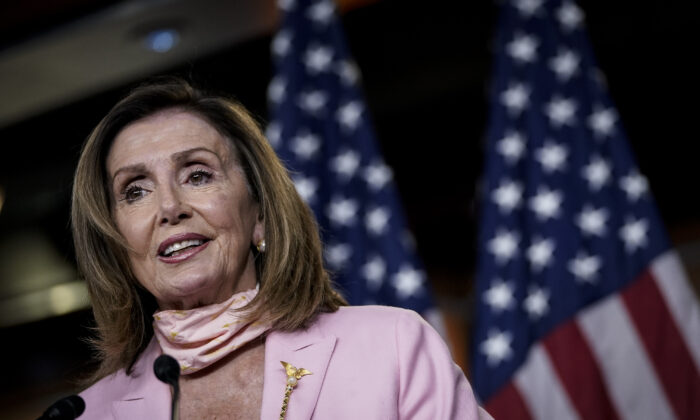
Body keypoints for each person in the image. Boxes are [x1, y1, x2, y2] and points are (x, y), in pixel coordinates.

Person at [72, 77, 492, 419]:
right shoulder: (88, 414)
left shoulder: (393, 347)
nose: (169, 207)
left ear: (260, 215)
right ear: (116, 242)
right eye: (135, 191)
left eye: (198, 175)